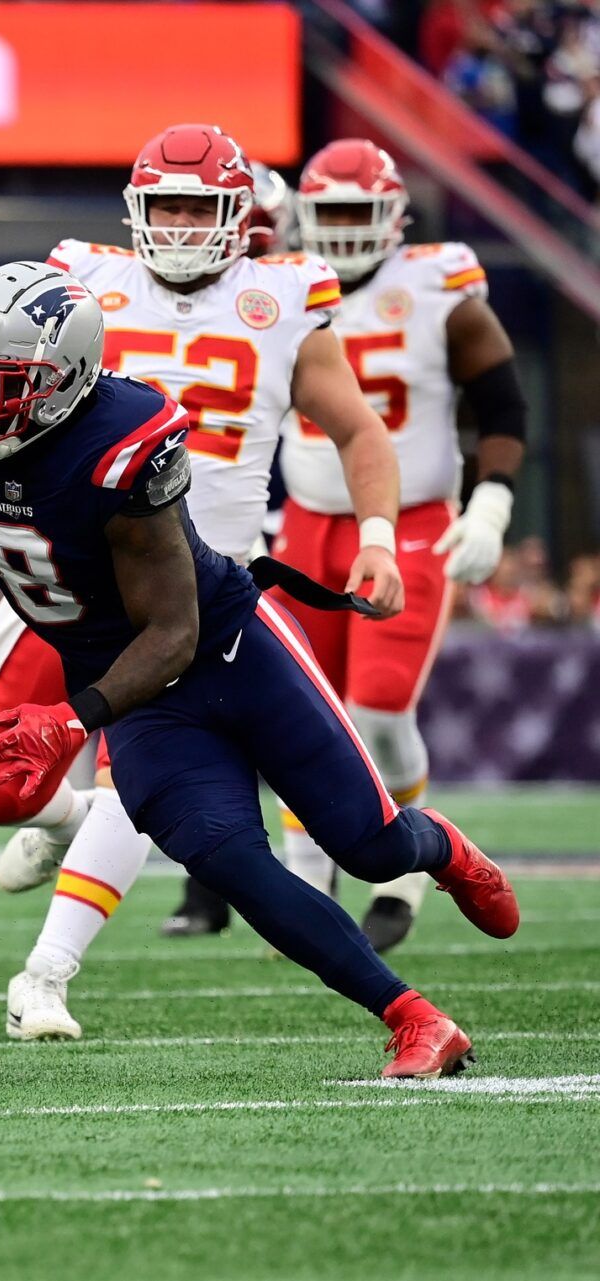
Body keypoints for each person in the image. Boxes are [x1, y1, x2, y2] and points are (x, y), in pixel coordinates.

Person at [0, 259, 517, 1079]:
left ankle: (443, 849)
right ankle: (414, 1018)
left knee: (372, 845)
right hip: (141, 699)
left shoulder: (119, 441)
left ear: (63, 383)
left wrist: (68, 718)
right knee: (232, 861)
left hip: (228, 651)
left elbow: (173, 631)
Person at [0, 124, 409, 1036]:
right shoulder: (80, 278)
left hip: (181, 597)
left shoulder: (284, 294)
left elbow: (361, 432)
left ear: (239, 215)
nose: (179, 226)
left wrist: (377, 530)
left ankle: (45, 976)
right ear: (135, 210)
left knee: (146, 785)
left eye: (198, 206)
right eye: (165, 205)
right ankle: (72, 820)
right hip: (56, 576)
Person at [276, 138, 528, 952]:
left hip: (414, 516)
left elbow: (502, 397)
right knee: (301, 707)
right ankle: (305, 875)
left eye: (360, 212)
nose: (345, 231)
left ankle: (407, 864)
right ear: (303, 218)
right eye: (331, 214)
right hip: (309, 517)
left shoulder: (435, 287)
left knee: (381, 709)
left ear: (394, 219)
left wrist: (491, 501)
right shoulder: (276, 285)